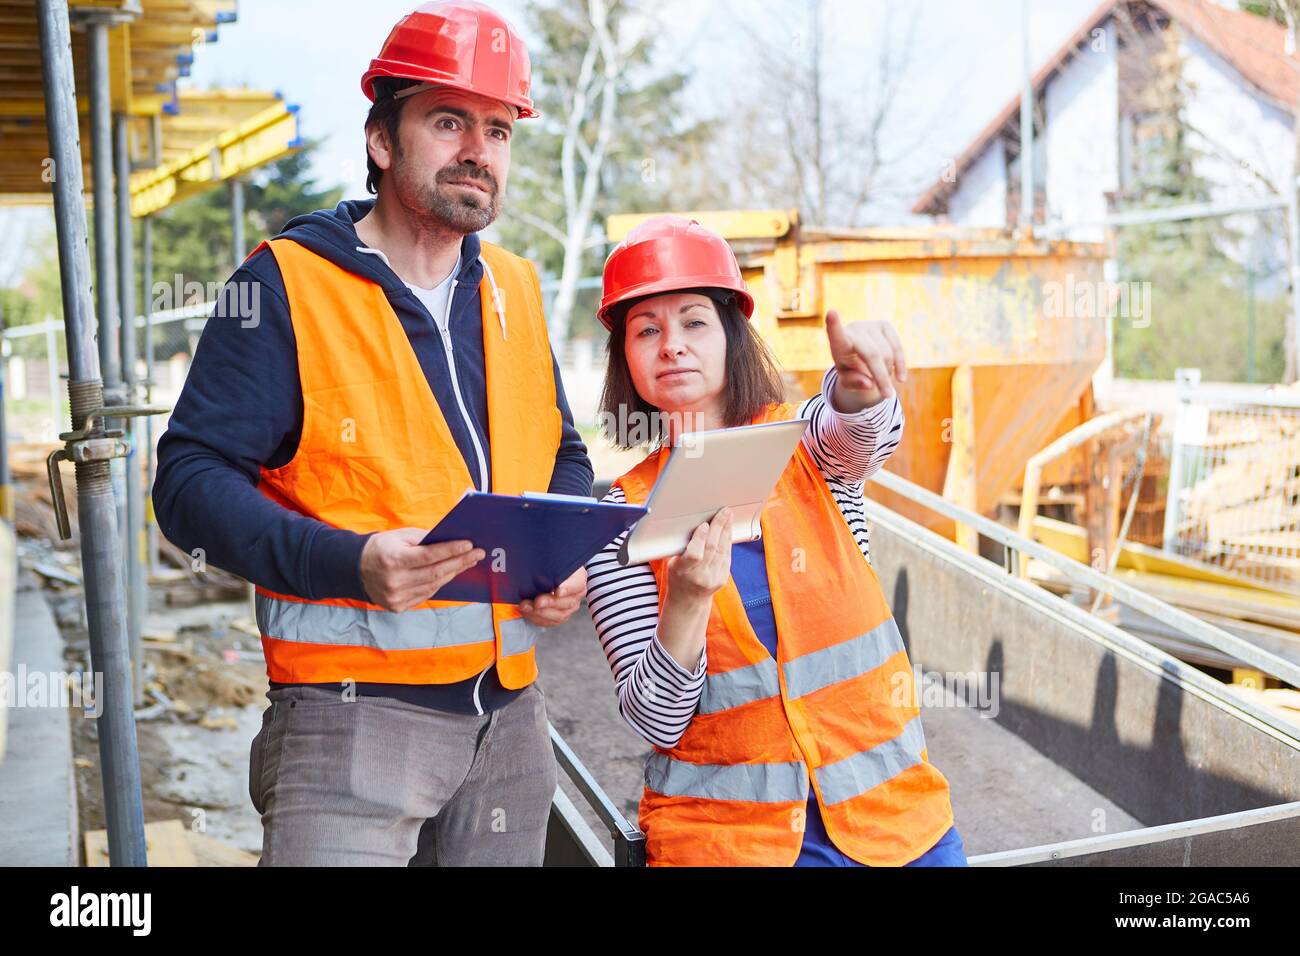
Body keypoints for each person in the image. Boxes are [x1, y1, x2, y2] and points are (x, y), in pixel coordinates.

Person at [153, 1, 591, 866]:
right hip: (348, 722)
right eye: (447, 120)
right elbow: (188, 483)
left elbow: (564, 456)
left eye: (498, 129)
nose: (478, 149)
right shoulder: (286, 287)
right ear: (383, 139)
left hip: (509, 723)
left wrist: (559, 557)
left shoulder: (514, 287)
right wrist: (347, 562)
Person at [584, 215, 966, 866]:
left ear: (734, 336)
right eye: (647, 329)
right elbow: (656, 721)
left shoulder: (808, 449)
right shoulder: (618, 521)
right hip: (731, 844)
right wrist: (686, 602)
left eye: (694, 321)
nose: (671, 344)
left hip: (898, 827)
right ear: (626, 357)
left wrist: (857, 387)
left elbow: (859, 434)